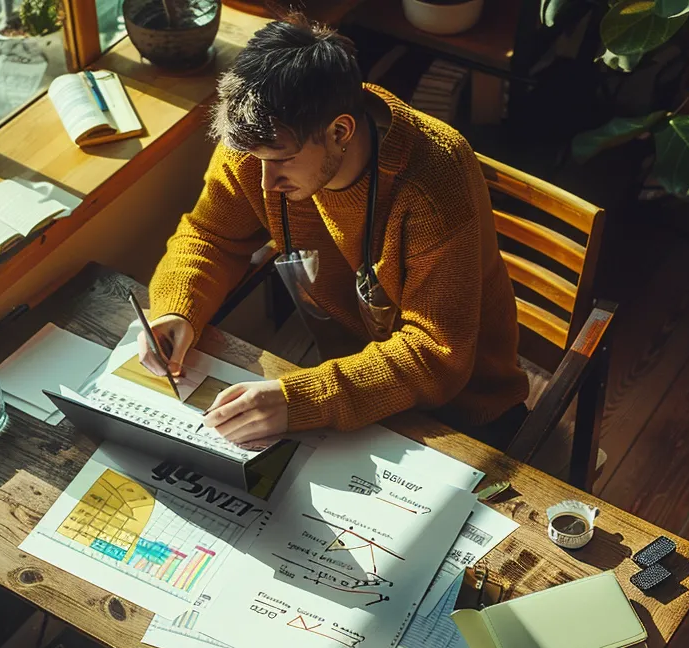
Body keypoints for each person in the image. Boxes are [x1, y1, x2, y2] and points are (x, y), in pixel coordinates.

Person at [140, 16, 528, 447]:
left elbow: (436, 355)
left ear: (340, 131)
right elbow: (210, 236)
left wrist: (303, 400)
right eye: (256, 158)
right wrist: (177, 308)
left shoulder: (435, 178)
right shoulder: (260, 144)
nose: (266, 182)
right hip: (344, 382)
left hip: (460, 413)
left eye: (282, 160)